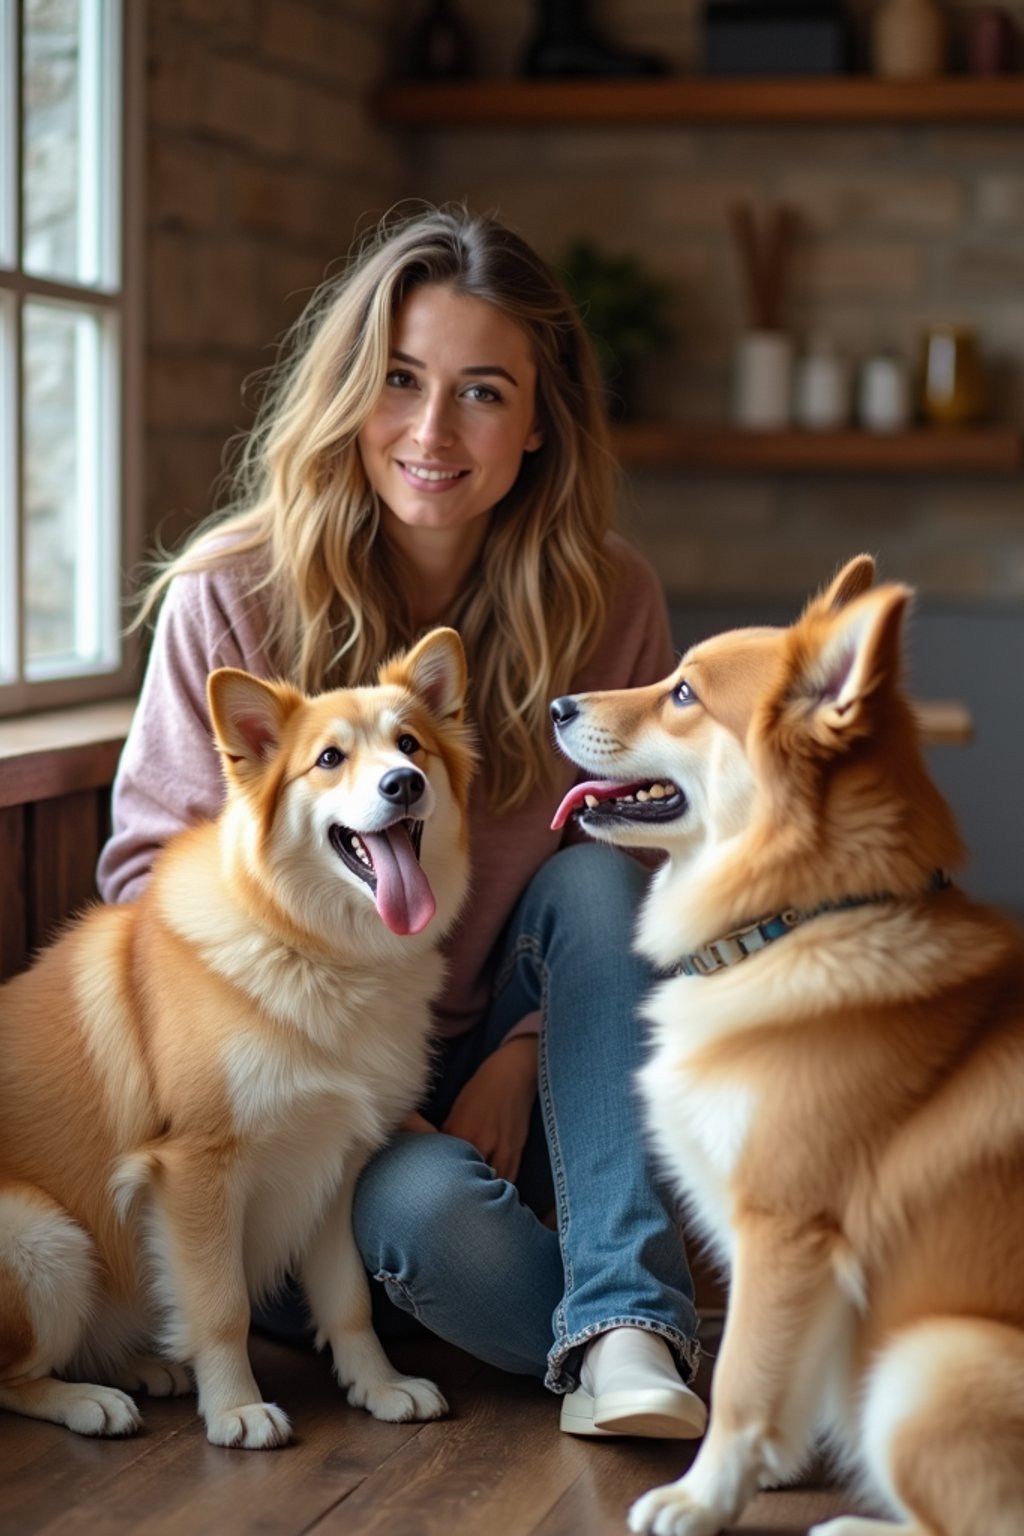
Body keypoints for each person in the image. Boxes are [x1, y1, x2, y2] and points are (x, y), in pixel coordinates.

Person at [97, 205, 706, 1440]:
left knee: (597, 886)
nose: (432, 431)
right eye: (399, 381)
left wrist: (520, 1052)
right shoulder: (231, 594)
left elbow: (649, 875)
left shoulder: (610, 599)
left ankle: (634, 1331)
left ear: (538, 425)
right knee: (429, 1226)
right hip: (309, 1123)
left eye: (482, 392)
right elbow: (145, 880)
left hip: (549, 1082)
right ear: (346, 395)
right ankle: (660, 1337)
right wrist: (344, 1083)